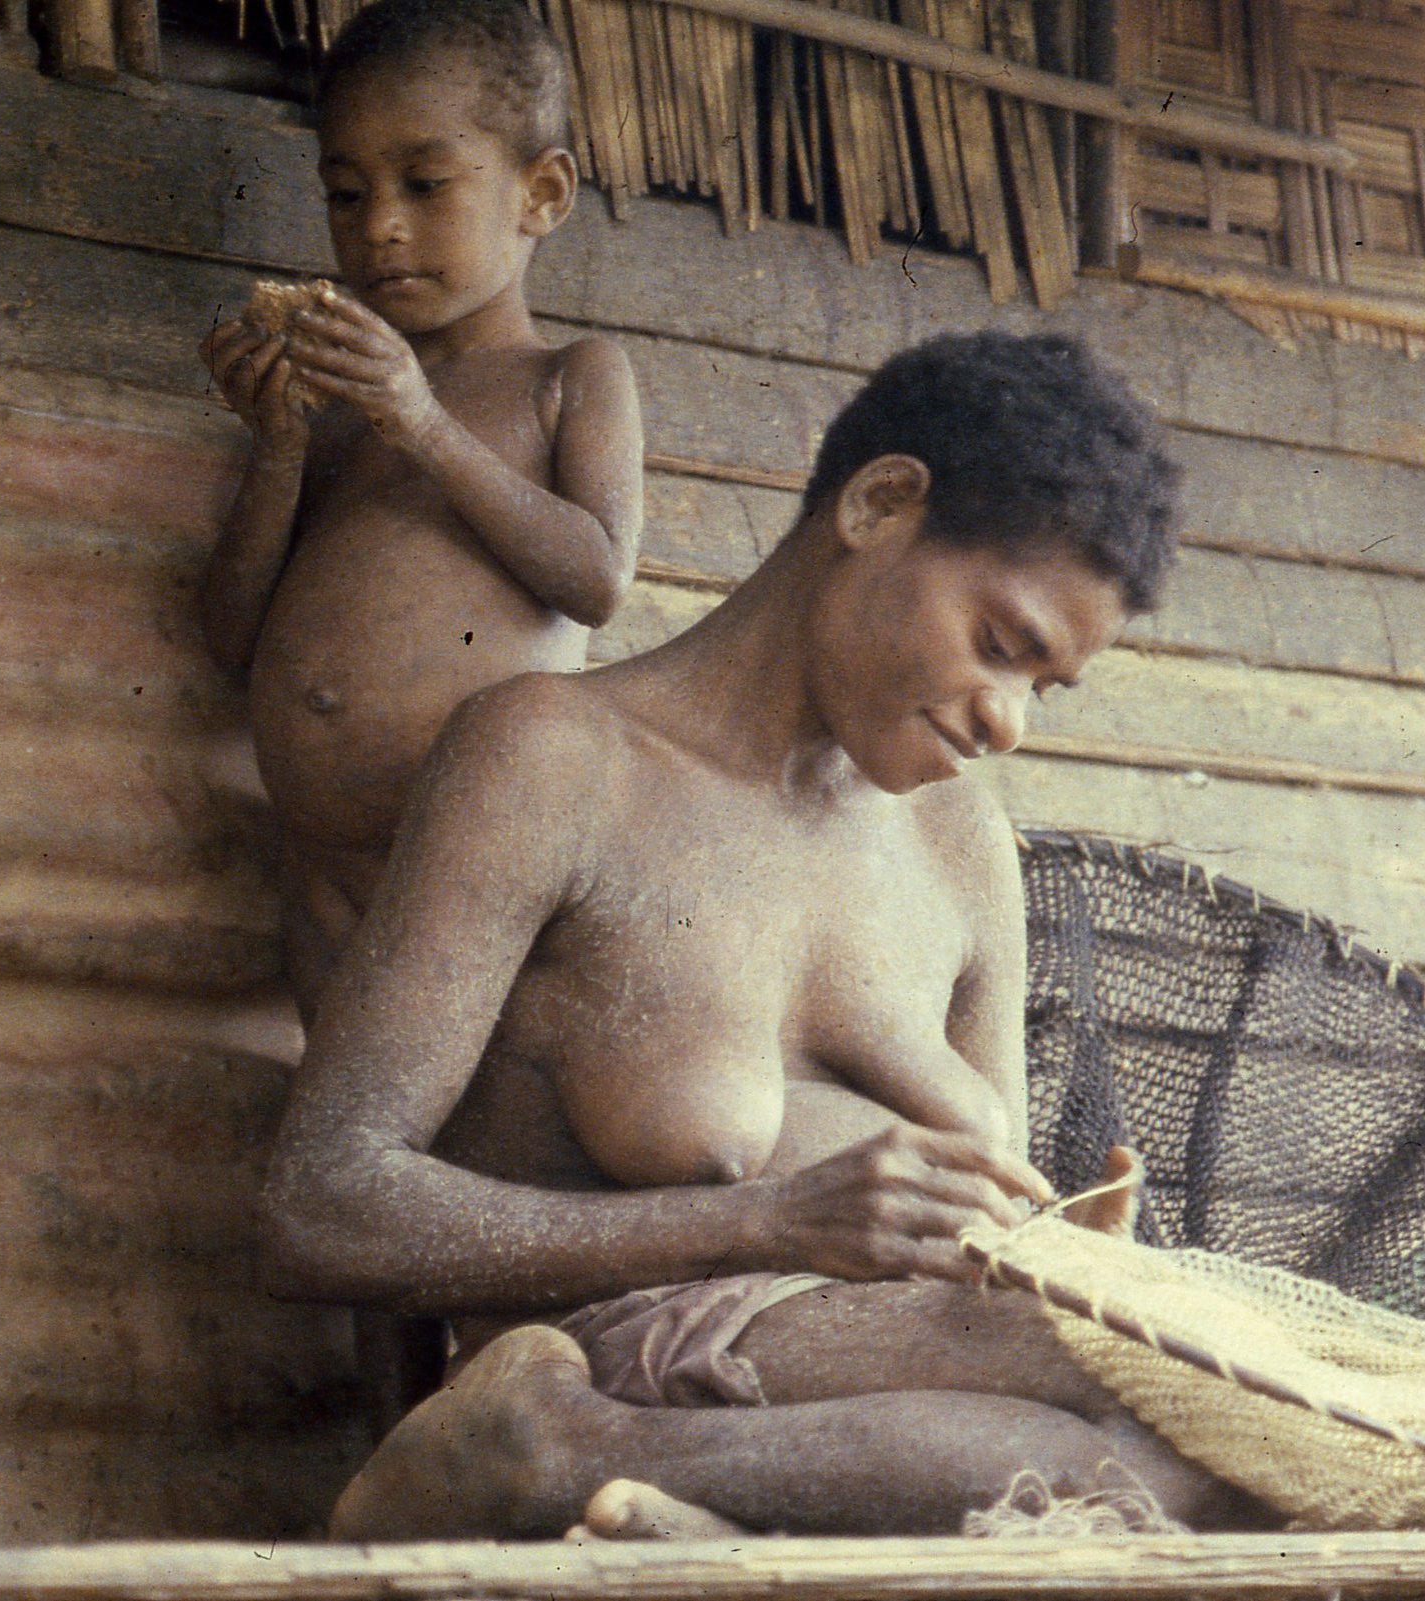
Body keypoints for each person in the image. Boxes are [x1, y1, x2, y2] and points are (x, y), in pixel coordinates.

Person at [258, 330, 1270, 1541]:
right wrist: (757, 1222)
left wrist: (1055, 1248)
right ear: (880, 504)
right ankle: (542, 1435)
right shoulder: (555, 763)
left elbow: (997, 1231)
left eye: (1044, 689)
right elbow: (318, 1201)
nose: (1006, 721)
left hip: (891, 1383)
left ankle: (599, 1474)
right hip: (640, 1339)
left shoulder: (960, 844)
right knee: (1157, 1438)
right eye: (1002, 646)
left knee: (1211, 1414)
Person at [199, 0, 643, 1018]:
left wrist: (424, 423)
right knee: (345, 1120)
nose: (378, 226)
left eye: (425, 184)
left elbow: (597, 576)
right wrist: (277, 445)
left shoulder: (569, 376)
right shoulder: (341, 413)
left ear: (542, 193)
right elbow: (229, 637)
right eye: (345, 193)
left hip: (466, 859)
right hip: (319, 869)